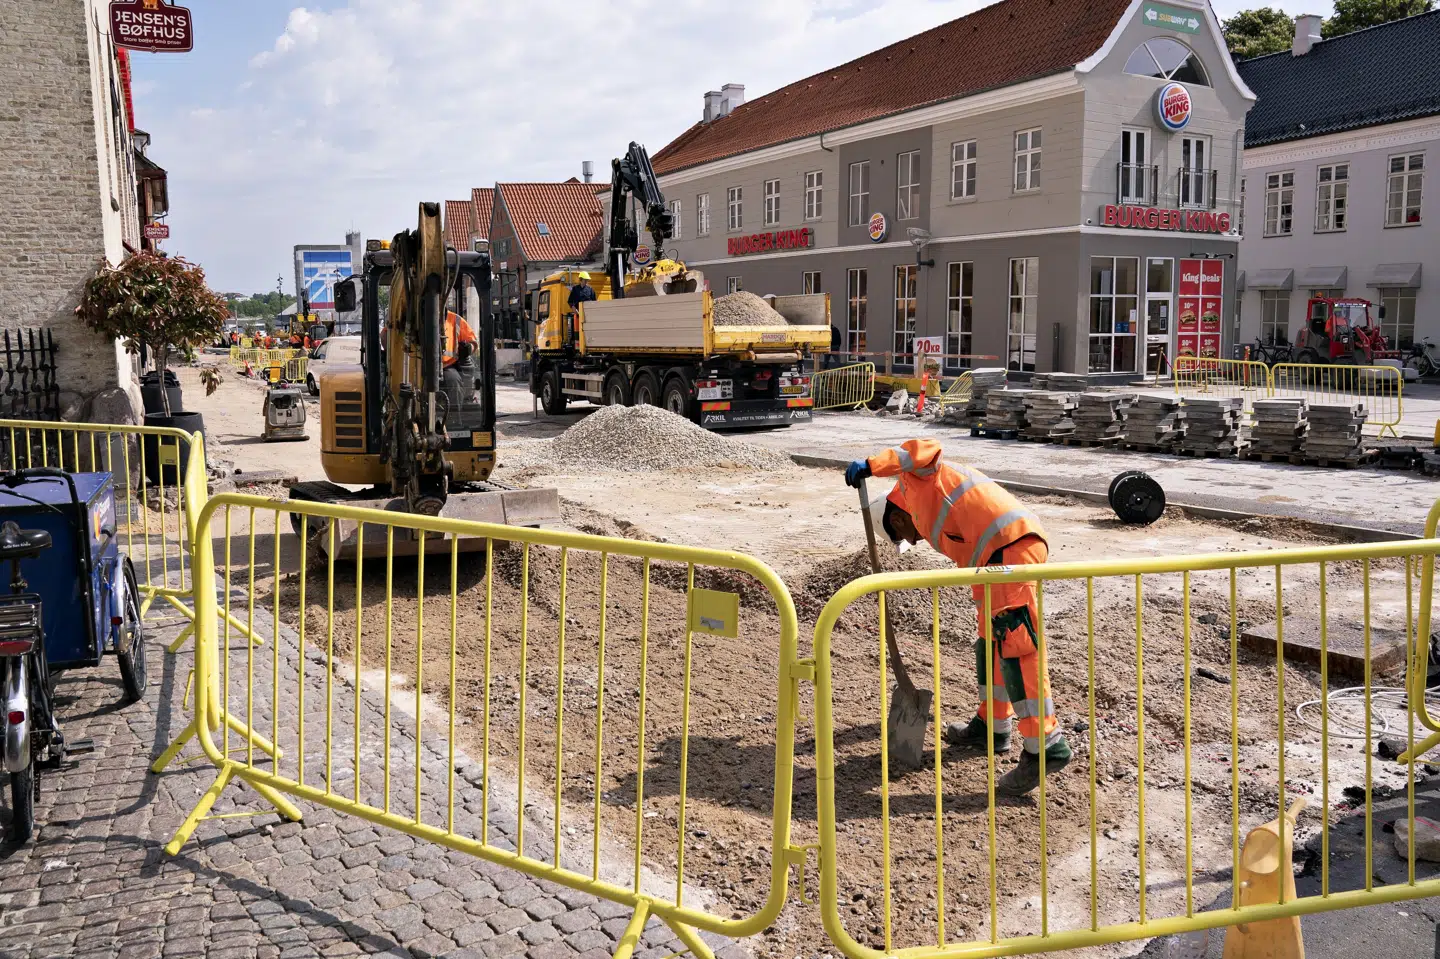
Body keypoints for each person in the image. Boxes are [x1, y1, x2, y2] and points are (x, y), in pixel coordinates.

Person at [844, 439, 1070, 795]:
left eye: (903, 537)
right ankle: (992, 727)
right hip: (992, 558)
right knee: (990, 643)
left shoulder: (918, 479)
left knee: (1016, 647)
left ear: (897, 518)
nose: (912, 543)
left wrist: (872, 465)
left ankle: (1045, 746)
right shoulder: (921, 508)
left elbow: (924, 448)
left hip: (1011, 546)